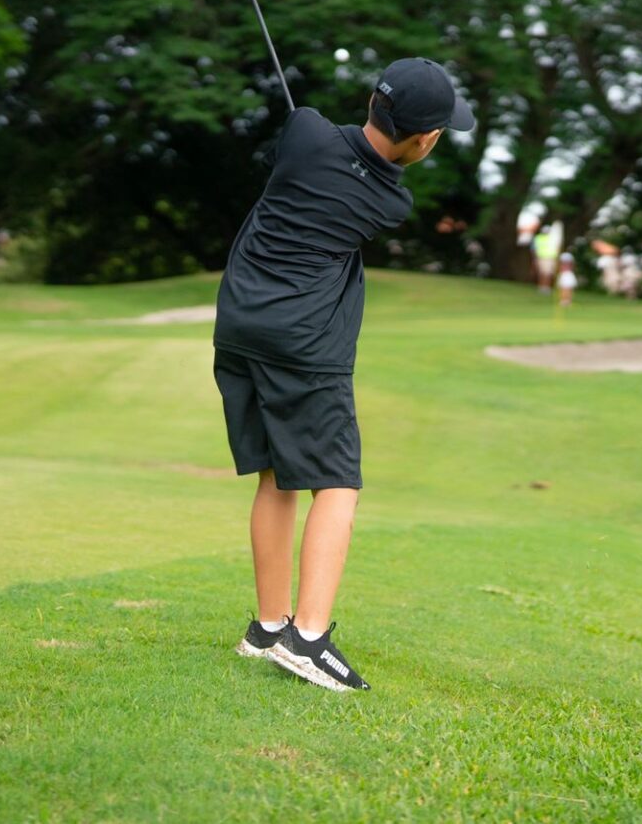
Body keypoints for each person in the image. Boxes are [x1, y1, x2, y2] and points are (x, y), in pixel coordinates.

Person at [214, 57, 476, 692]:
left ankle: (268, 627)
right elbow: (365, 167)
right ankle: (308, 638)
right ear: (425, 139)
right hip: (305, 344)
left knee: (275, 473)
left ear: (371, 104)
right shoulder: (391, 200)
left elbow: (306, 143)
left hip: (239, 324)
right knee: (336, 482)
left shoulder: (304, 130)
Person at [531, 226, 558, 292]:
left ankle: (547, 287)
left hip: (550, 258)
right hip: (541, 257)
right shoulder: (538, 238)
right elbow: (534, 249)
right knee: (542, 273)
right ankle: (542, 287)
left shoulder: (553, 238)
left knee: (548, 273)